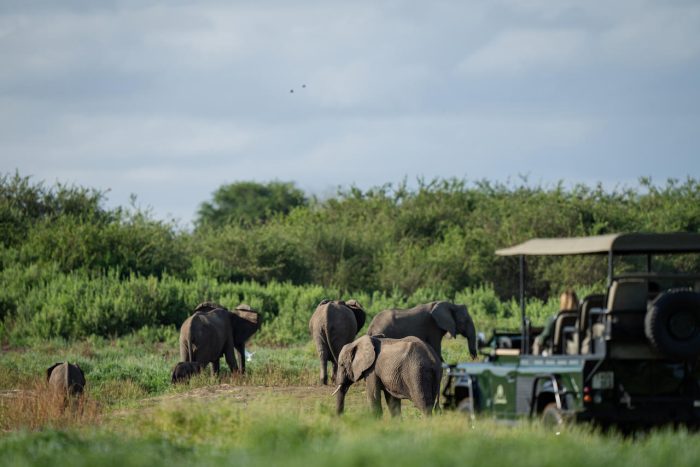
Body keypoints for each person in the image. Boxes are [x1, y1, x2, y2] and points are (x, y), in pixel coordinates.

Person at [532, 289, 579, 355]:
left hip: (556, 352)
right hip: (576, 351)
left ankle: (535, 362)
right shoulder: (581, 319)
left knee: (537, 340)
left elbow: (543, 338)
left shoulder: (554, 319)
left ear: (562, 303)